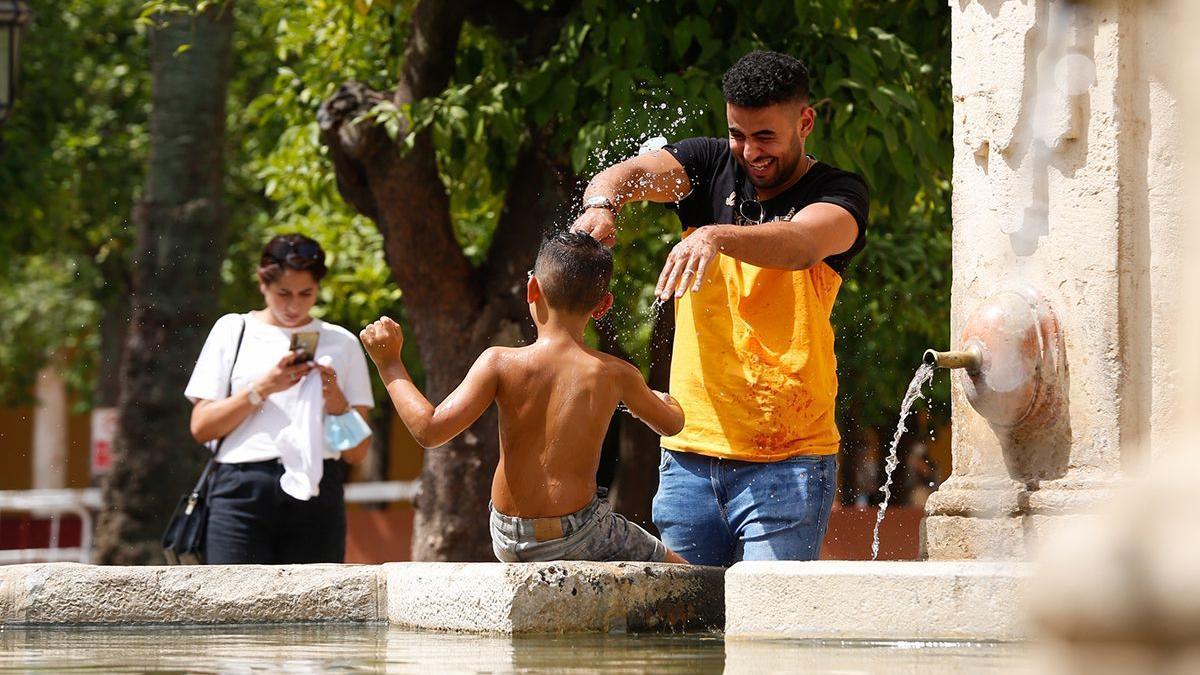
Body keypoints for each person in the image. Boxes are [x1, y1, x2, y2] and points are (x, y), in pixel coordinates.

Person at [572, 50, 870, 566]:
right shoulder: (708, 165)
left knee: (768, 631)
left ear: (805, 122)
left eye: (765, 137)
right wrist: (602, 206)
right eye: (738, 133)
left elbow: (799, 241)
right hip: (688, 458)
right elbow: (628, 171)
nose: (749, 151)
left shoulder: (840, 193)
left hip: (789, 463)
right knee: (683, 636)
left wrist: (715, 235)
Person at [359, 230, 689, 564]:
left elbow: (429, 430)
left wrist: (389, 365)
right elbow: (672, 424)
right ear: (603, 305)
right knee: (685, 575)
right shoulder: (615, 374)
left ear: (532, 290)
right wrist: (663, 400)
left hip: (506, 536)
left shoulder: (499, 362)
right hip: (577, 535)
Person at [185, 234, 375, 564]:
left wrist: (334, 399)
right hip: (241, 488)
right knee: (233, 606)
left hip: (317, 486)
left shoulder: (340, 342)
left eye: (307, 293)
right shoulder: (234, 330)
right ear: (263, 283)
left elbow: (356, 453)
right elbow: (202, 427)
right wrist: (263, 388)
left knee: (317, 610)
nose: (294, 305)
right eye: (283, 293)